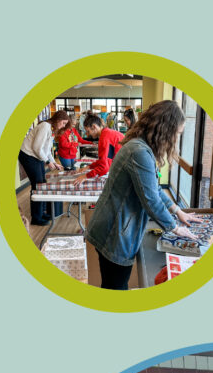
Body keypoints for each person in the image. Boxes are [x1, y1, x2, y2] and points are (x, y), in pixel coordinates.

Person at [80, 100, 203, 290]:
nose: (176, 139)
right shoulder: (139, 152)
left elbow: (153, 189)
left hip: (112, 227)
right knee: (115, 288)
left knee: (114, 285)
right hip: (113, 233)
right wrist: (175, 228)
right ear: (166, 130)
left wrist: (178, 212)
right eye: (177, 134)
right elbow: (151, 200)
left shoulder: (140, 147)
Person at [18, 109, 69, 225]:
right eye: (63, 123)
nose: (63, 126)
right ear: (58, 120)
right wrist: (47, 162)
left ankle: (41, 213)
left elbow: (47, 151)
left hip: (36, 156)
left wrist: (54, 162)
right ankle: (36, 218)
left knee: (42, 184)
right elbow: (36, 148)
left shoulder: (51, 129)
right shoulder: (45, 126)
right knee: (37, 185)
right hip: (28, 155)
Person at [73, 112, 123, 180]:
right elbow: (104, 161)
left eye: (88, 131)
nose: (88, 134)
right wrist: (89, 167)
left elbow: (104, 167)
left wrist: (86, 176)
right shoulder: (107, 132)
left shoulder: (104, 137)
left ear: (94, 127)